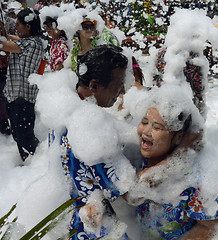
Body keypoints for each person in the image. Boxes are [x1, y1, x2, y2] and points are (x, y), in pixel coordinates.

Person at [123, 86, 218, 239]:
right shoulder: (135, 157)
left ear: (178, 138)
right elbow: (131, 193)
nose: (146, 131)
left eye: (156, 127)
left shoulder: (192, 180)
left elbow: (212, 225)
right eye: (144, 122)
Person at [59, 45, 130, 240]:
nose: (122, 90)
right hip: (94, 225)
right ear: (94, 86)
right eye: (119, 84)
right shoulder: (89, 129)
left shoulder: (63, 108)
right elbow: (129, 191)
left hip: (72, 218)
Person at [0, 8, 45, 160]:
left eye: (18, 25)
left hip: (23, 100)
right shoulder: (28, 41)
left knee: (25, 137)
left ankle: (37, 163)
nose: (16, 28)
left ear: (28, 27)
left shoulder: (32, 44)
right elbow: (9, 37)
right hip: (15, 98)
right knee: (17, 135)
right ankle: (28, 162)